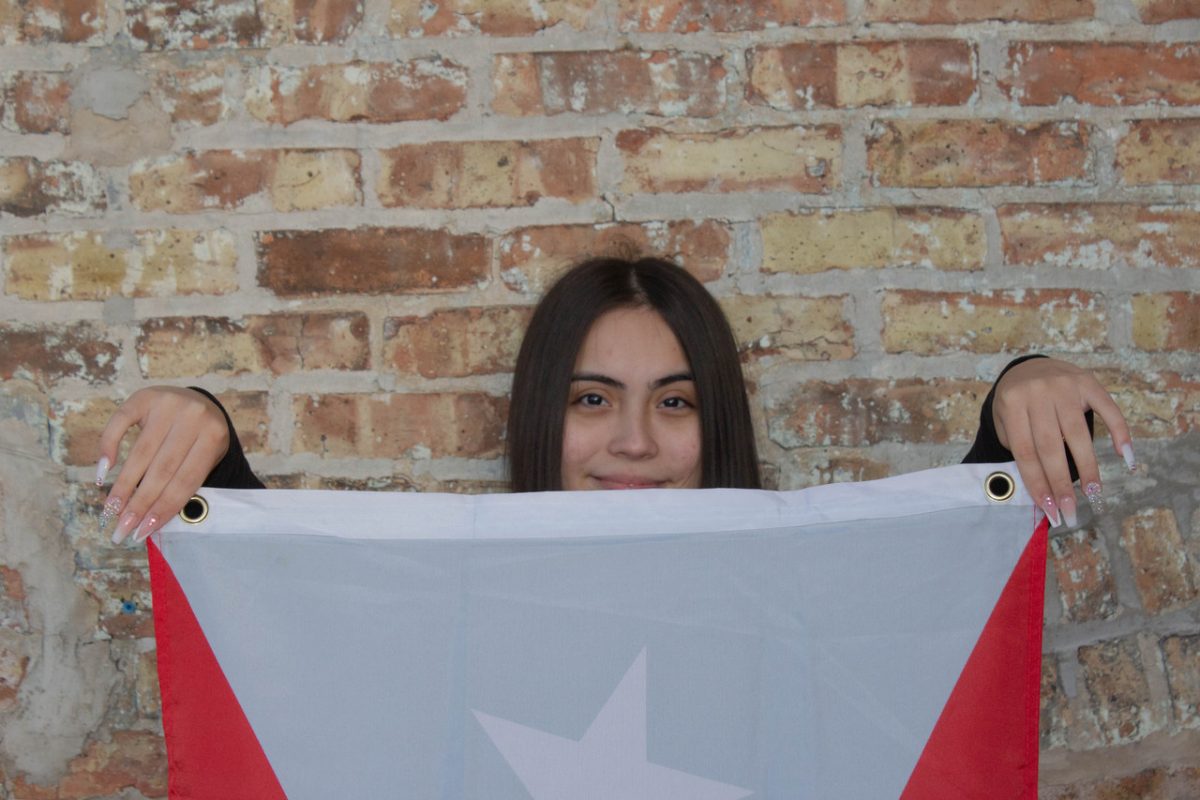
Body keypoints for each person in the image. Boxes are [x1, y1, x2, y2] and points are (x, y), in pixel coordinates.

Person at [96, 256, 1135, 544]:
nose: (634, 440)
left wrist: (1019, 393)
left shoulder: (804, 587)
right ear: (541, 410)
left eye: (676, 404)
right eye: (593, 397)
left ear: (716, 422)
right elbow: (303, 636)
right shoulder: (447, 591)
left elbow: (928, 602)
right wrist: (208, 443)